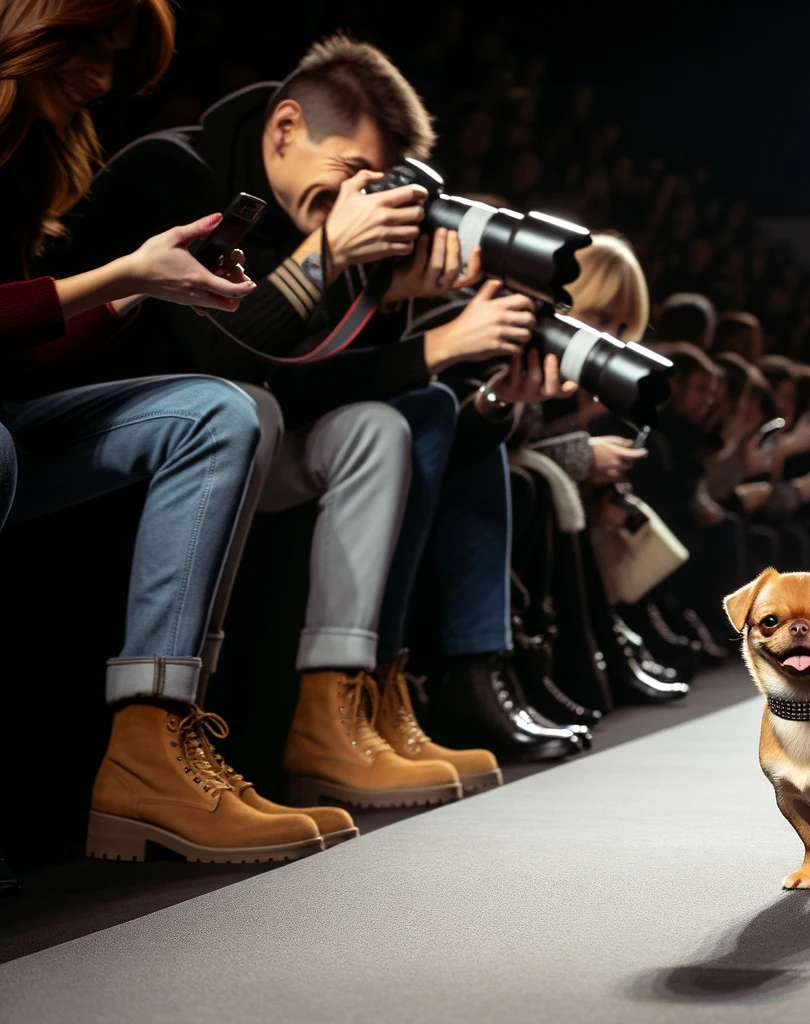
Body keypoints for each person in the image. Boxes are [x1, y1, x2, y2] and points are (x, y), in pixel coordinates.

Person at [46, 34, 539, 806]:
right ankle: (162, 736)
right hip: (126, 430)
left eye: (372, 184)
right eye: (349, 171)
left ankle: (336, 715)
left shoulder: (323, 222)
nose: (357, 197)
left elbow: (321, 383)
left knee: (379, 426)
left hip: (240, 438)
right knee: (251, 405)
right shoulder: (174, 171)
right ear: (284, 128)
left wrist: (397, 298)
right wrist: (328, 258)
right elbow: (217, 357)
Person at [1, 0, 328, 861]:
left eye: (111, 58)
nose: (102, 81)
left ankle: (155, 745)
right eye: (87, 48)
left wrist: (140, 290)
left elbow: (20, 360)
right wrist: (120, 271)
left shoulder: (29, 154)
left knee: (220, 412)